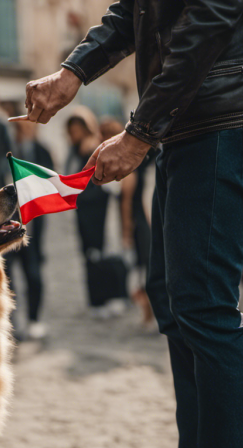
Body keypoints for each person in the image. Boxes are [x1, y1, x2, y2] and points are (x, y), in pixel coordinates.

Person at [22, 0, 243, 448]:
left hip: (227, 124)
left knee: (207, 309)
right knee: (173, 302)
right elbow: (130, 15)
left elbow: (208, 24)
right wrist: (72, 73)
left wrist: (138, 133)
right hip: (188, 128)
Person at [100, 117, 155, 326]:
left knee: (139, 270)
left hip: (135, 222)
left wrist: (125, 231)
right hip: (136, 220)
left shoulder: (128, 166)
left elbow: (126, 203)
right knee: (139, 270)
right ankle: (147, 313)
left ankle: (148, 313)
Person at [5, 117, 54, 340]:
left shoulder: (42, 151)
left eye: (28, 126)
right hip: (8, 223)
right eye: (21, 126)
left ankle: (34, 319)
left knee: (33, 274)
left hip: (33, 224)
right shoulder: (7, 151)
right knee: (7, 275)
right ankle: (10, 322)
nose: (25, 130)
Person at [65, 108, 117, 318]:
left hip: (97, 211)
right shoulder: (74, 150)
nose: (74, 134)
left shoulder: (93, 150)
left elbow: (100, 183)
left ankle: (105, 298)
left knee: (99, 255)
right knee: (88, 255)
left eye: (78, 129)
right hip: (82, 211)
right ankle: (95, 300)